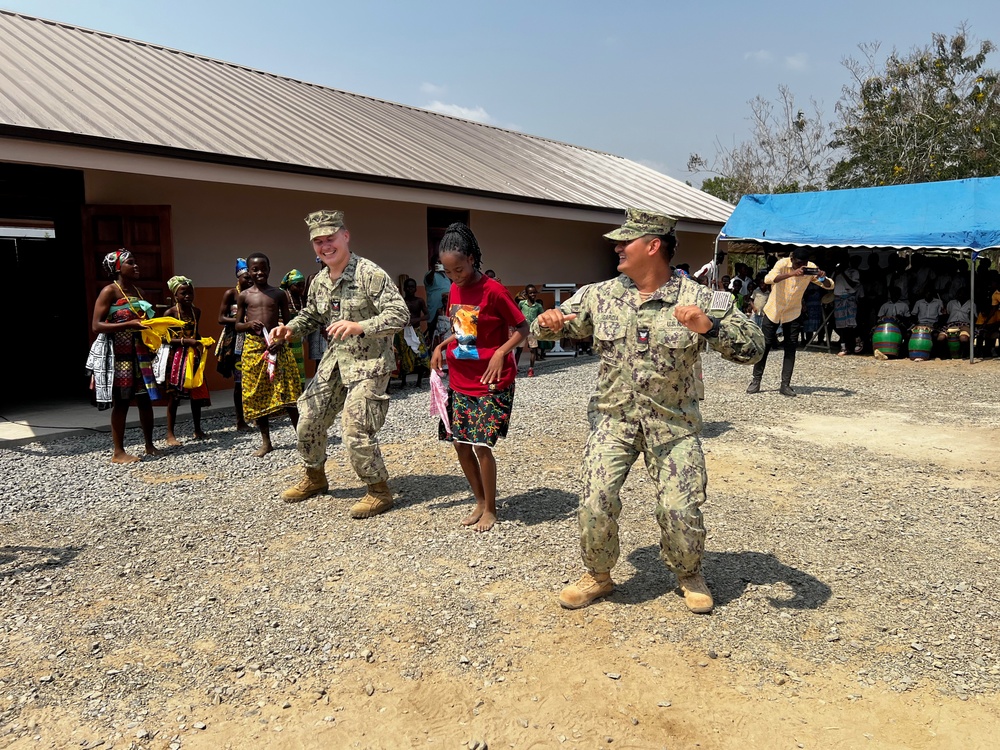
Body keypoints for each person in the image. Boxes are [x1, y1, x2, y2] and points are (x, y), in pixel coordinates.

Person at [532, 208, 764, 612]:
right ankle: (598, 575)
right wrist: (548, 321)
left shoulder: (701, 299)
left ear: (653, 246)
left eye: (626, 241)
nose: (617, 247)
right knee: (594, 500)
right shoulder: (599, 295)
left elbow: (754, 347)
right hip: (614, 420)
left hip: (672, 425)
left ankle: (689, 572)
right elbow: (551, 325)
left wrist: (709, 328)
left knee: (680, 509)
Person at [271, 210, 408, 517]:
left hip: (369, 361)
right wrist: (289, 329)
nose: (325, 246)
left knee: (355, 427)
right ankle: (315, 478)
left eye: (330, 238)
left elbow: (399, 314)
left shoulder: (369, 274)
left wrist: (361, 326)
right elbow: (312, 315)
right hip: (336, 360)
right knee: (309, 418)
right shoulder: (319, 280)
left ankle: (378, 490)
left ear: (345, 236)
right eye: (318, 241)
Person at [429, 223, 528, 533]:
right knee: (460, 444)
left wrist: (502, 352)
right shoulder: (456, 289)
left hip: (490, 380)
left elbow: (525, 329)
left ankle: (492, 509)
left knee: (481, 445)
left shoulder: (494, 291)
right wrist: (442, 346)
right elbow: (465, 333)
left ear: (472, 258)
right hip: (460, 377)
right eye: (448, 272)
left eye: (458, 269)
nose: (454, 277)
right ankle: (480, 501)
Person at [89, 249, 161, 463]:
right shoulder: (109, 291)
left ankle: (149, 445)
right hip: (119, 356)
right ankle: (118, 452)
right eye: (131, 262)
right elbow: (96, 326)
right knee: (121, 402)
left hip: (140, 354)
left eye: (136, 262)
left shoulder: (139, 292)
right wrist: (128, 324)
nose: (136, 265)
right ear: (118, 267)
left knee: (145, 400)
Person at [236, 253, 301, 457]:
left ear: (269, 269)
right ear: (249, 271)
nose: (260, 272)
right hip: (254, 349)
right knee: (256, 393)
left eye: (263, 268)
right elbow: (237, 325)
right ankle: (266, 442)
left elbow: (289, 324)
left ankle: (302, 438)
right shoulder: (244, 296)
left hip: (277, 347)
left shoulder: (278, 294)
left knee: (290, 392)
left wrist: (280, 341)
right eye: (255, 269)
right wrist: (248, 324)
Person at [747, 248, 833, 397]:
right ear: (792, 259)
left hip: (793, 312)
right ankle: (756, 380)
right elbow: (768, 279)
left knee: (790, 347)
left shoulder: (810, 268)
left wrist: (822, 278)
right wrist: (791, 273)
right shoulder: (782, 264)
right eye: (798, 263)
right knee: (765, 345)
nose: (801, 267)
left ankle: (785, 385)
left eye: (804, 264)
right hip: (773, 310)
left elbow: (829, 285)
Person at [163, 275, 211, 444]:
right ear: (175, 295)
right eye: (183, 294)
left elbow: (196, 334)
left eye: (190, 293)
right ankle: (170, 434)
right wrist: (185, 341)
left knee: (196, 395)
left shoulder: (196, 312)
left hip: (193, 357)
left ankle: (198, 429)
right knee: (174, 397)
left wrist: (202, 341)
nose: (188, 296)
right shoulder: (171, 313)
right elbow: (165, 339)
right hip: (176, 358)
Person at [216, 259, 253, 431]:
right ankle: (240, 420)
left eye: (251, 277)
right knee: (239, 382)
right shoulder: (231, 294)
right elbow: (221, 318)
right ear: (238, 278)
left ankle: (255, 414)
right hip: (237, 343)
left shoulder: (255, 293)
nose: (250, 280)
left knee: (253, 380)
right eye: (246, 277)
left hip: (254, 341)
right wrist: (240, 321)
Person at [393, 276, 431, 387]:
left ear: (415, 289)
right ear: (404, 288)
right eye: (408, 287)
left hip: (417, 331)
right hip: (404, 333)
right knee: (404, 356)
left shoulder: (419, 301)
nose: (410, 289)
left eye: (412, 287)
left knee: (422, 355)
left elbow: (427, 315)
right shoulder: (401, 302)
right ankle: (403, 382)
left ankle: (419, 381)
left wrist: (417, 319)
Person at [280, 269, 308, 389]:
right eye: (298, 285)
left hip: (297, 339)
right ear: (290, 286)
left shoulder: (301, 298)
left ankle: (300, 391)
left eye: (303, 285)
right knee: (287, 366)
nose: (301, 288)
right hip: (284, 338)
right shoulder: (284, 296)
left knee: (299, 366)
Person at [833, 255, 864, 355]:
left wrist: (842, 273)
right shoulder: (836, 272)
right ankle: (843, 347)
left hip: (849, 298)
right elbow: (830, 284)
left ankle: (857, 343)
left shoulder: (853, 272)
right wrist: (835, 273)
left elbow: (853, 285)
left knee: (852, 323)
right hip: (838, 299)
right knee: (841, 325)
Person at [515, 284, 545, 376]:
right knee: (519, 349)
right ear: (527, 294)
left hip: (532, 330)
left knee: (533, 350)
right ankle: (515, 367)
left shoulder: (538, 306)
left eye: (534, 293)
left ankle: (531, 368)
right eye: (530, 293)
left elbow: (542, 316)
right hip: (522, 330)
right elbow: (517, 313)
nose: (533, 294)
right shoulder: (522, 304)